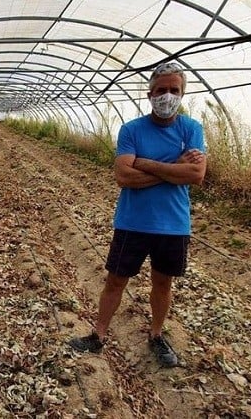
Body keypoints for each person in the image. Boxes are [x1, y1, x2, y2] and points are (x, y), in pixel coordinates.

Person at [68, 62, 206, 367]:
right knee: (115, 281)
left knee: (162, 284)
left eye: (174, 90)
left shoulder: (192, 129)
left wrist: (145, 163)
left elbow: (196, 174)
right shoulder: (132, 129)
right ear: (150, 94)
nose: (167, 96)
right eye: (161, 90)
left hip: (173, 225)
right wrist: (174, 167)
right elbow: (124, 177)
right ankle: (98, 334)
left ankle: (156, 336)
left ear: (182, 93)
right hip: (133, 222)